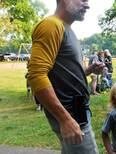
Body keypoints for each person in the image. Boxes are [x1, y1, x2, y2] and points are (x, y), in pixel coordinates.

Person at [27, 0, 104, 153]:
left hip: (78, 110)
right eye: (83, 0)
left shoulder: (66, 28)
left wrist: (88, 70)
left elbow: (63, 72)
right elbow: (36, 75)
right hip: (70, 112)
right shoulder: (51, 25)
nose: (87, 5)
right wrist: (65, 119)